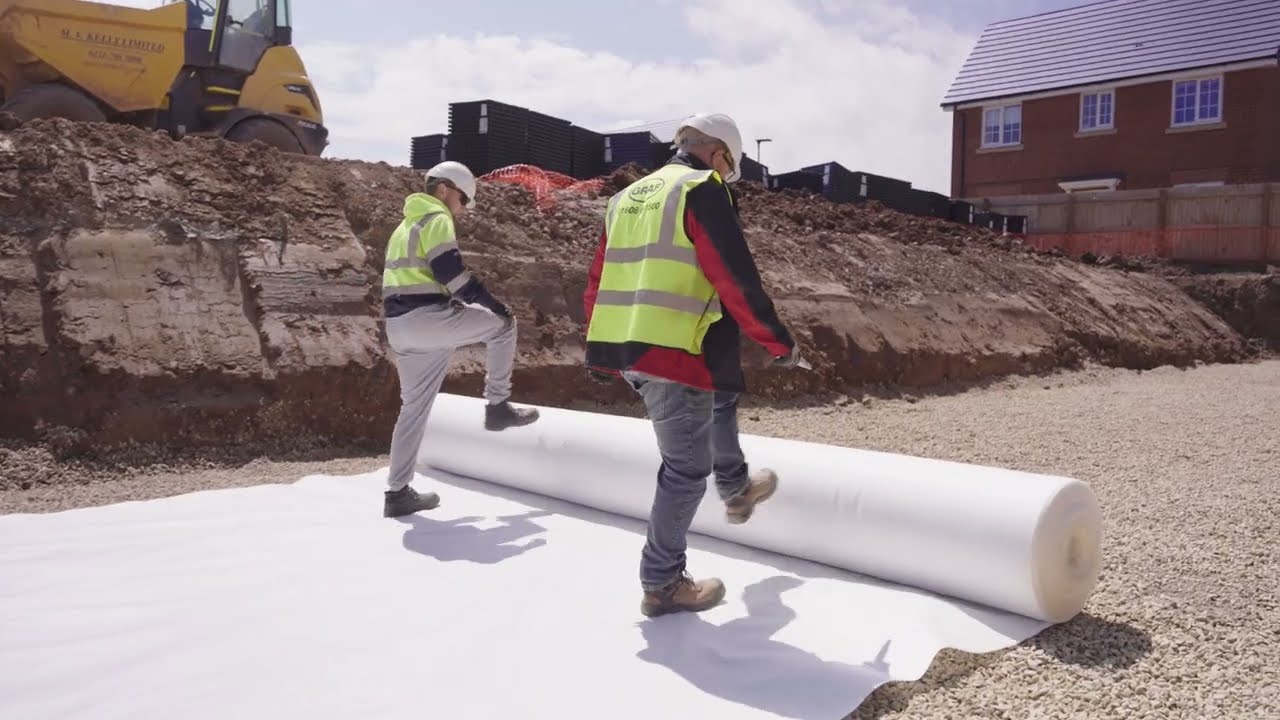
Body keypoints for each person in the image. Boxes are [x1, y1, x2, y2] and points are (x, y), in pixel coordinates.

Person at [582, 113, 804, 617]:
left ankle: (736, 488)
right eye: (729, 167)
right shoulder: (701, 187)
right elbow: (732, 274)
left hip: (632, 348)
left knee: (719, 397)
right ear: (720, 154)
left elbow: (598, 279)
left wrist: (598, 349)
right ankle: (662, 584)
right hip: (673, 350)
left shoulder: (626, 198)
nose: (728, 177)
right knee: (684, 470)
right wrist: (777, 341)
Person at [380, 160, 540, 518]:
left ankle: (397, 493)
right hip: (427, 319)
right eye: (463, 199)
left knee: (413, 410)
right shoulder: (437, 218)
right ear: (443, 190)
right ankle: (498, 406)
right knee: (503, 326)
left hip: (400, 327)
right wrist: (495, 305)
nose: (463, 208)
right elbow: (452, 274)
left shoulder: (404, 227)